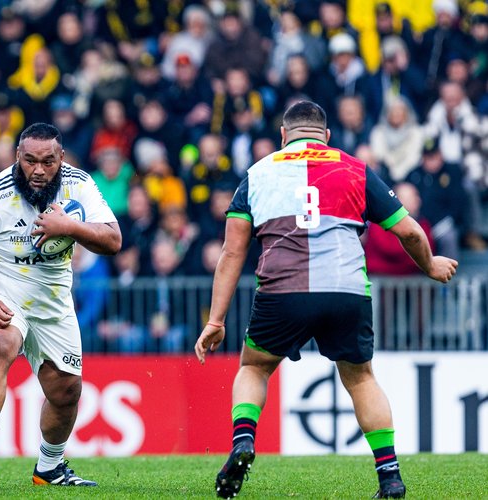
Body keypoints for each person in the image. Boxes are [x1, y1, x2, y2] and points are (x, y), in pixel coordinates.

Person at [194, 101, 458, 499]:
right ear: (327, 136)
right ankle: (389, 476)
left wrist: (216, 321)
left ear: (283, 136)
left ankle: (243, 441)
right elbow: (409, 231)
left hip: (282, 292)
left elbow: (232, 253)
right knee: (361, 378)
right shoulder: (355, 169)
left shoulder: (257, 174)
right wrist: (430, 265)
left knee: (255, 367)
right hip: (345, 291)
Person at [0, 123, 121, 487]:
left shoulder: (79, 185)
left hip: (52, 300)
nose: (38, 170)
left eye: (48, 162)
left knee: (66, 391)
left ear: (61, 158)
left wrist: (69, 227)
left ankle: (50, 468)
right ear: (17, 156)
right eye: (30, 161)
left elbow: (113, 240)